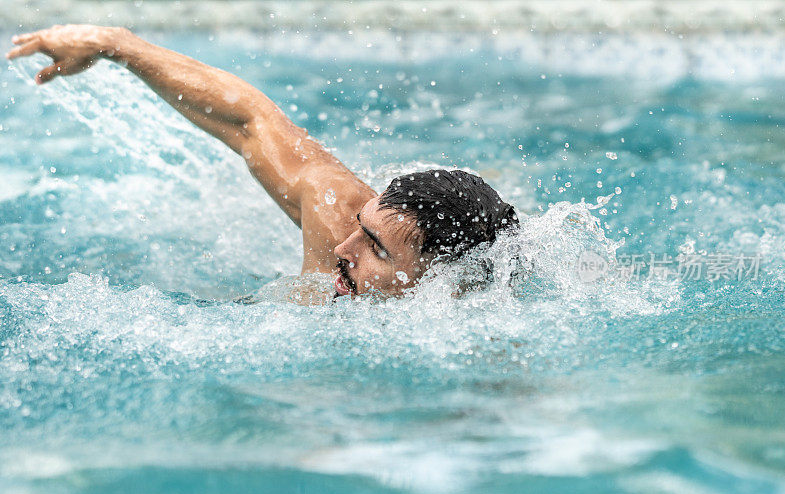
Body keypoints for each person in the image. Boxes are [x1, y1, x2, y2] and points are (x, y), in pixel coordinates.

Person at [6, 24, 518, 298]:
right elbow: (252, 120)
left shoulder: (484, 323)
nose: (343, 245)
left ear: (444, 282)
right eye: (363, 228)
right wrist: (117, 44)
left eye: (378, 250)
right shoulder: (335, 207)